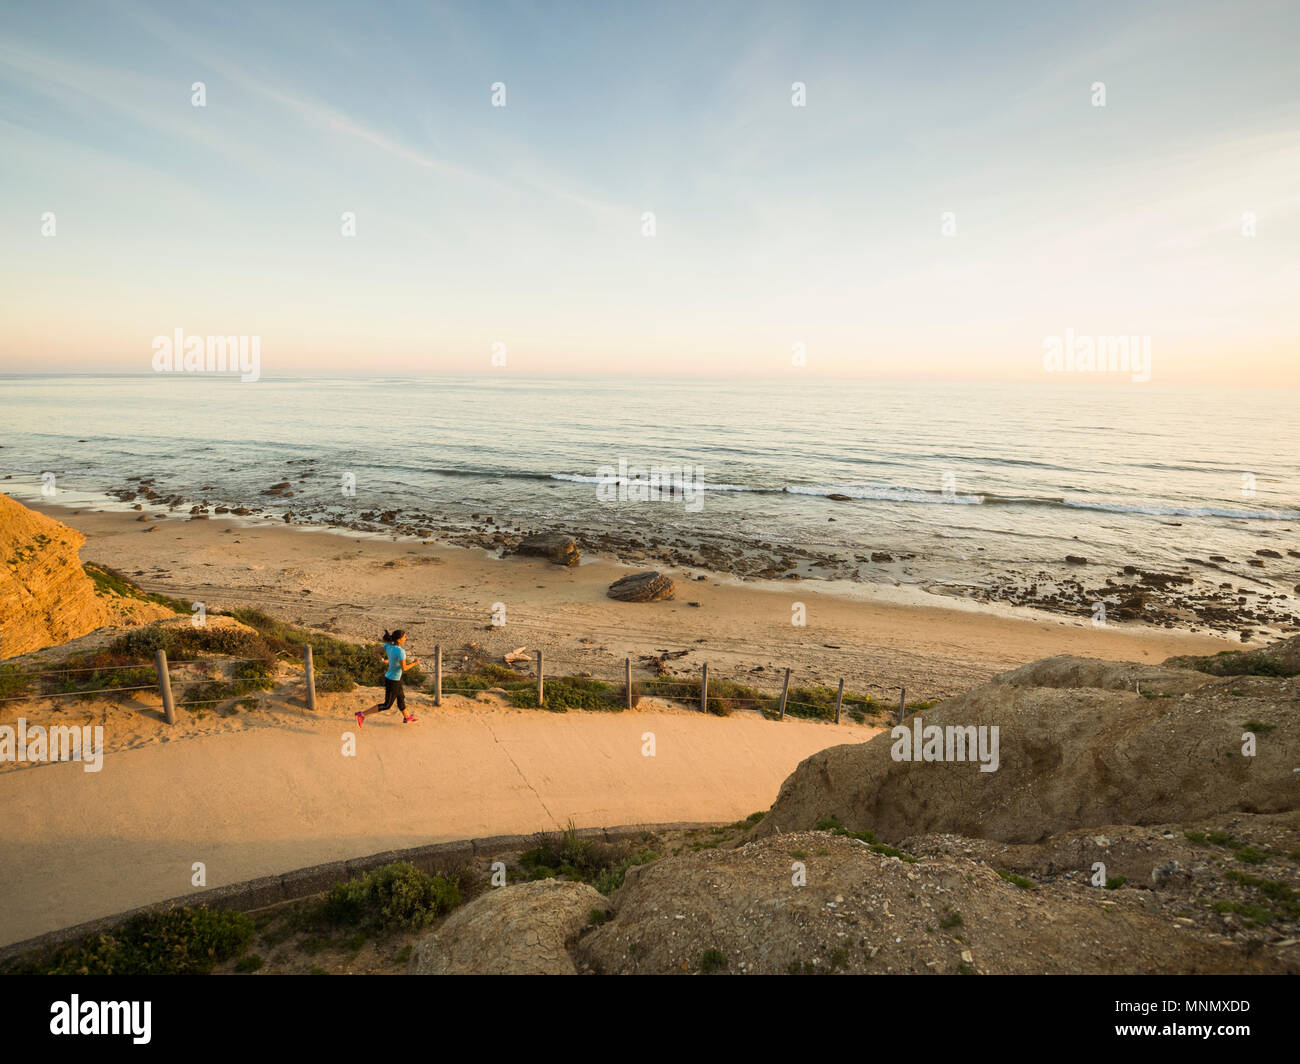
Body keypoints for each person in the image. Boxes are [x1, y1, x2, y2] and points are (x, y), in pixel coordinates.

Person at [355, 629, 419, 727]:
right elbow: (404, 668)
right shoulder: (401, 651)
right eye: (404, 637)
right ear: (399, 639)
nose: (406, 638)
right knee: (387, 705)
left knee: (401, 698)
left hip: (393, 678)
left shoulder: (388, 646)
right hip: (393, 680)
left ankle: (407, 717)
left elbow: (375, 652)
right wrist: (415, 663)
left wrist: (383, 660)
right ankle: (361, 714)